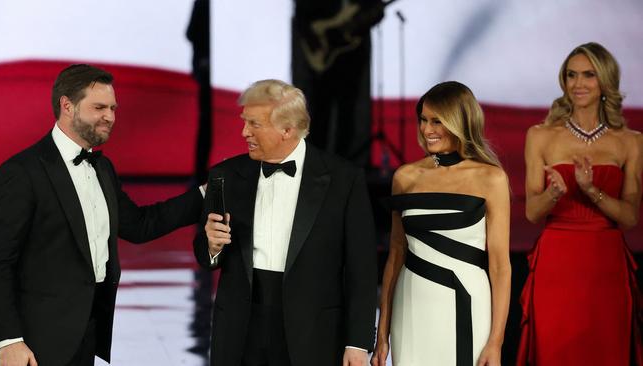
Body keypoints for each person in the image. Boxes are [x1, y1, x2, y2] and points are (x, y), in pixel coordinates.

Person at [0, 64, 204, 366]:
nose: (110, 116)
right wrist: (8, 341)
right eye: (100, 107)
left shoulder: (103, 168)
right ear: (67, 105)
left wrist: (204, 196)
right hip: (37, 343)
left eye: (113, 108)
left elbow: (140, 225)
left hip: (86, 333)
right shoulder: (22, 172)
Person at [193, 79, 378, 366]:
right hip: (241, 330)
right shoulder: (226, 175)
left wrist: (358, 342)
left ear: (287, 129)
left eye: (254, 124)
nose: (244, 132)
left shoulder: (343, 179)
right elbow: (206, 253)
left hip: (314, 332)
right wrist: (211, 246)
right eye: (244, 122)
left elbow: (361, 269)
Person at [517, 42, 643, 365]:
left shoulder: (630, 142)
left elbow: (629, 217)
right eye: (571, 75)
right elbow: (532, 211)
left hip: (606, 264)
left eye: (588, 75)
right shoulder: (541, 136)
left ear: (605, 82)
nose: (578, 84)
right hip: (558, 263)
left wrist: (590, 190)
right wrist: (554, 194)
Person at [371, 81, 511, 366]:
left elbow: (499, 266)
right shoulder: (405, 176)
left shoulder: (491, 178)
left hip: (466, 301)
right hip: (410, 303)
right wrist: (382, 333)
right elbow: (396, 255)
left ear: (460, 121)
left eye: (437, 121)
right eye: (423, 120)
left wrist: (496, 342)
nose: (426, 129)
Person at [292, 0, 384, 167]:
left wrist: (368, 17)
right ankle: (315, 165)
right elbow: (302, 12)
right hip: (320, 50)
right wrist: (316, 36)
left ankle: (345, 165)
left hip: (352, 52)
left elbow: (375, 10)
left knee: (348, 113)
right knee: (319, 113)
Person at [186, 0, 212, 185]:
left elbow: (191, 32)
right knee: (206, 123)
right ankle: (199, 174)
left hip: (208, 70)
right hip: (207, 70)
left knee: (206, 123)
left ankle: (200, 174)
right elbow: (192, 32)